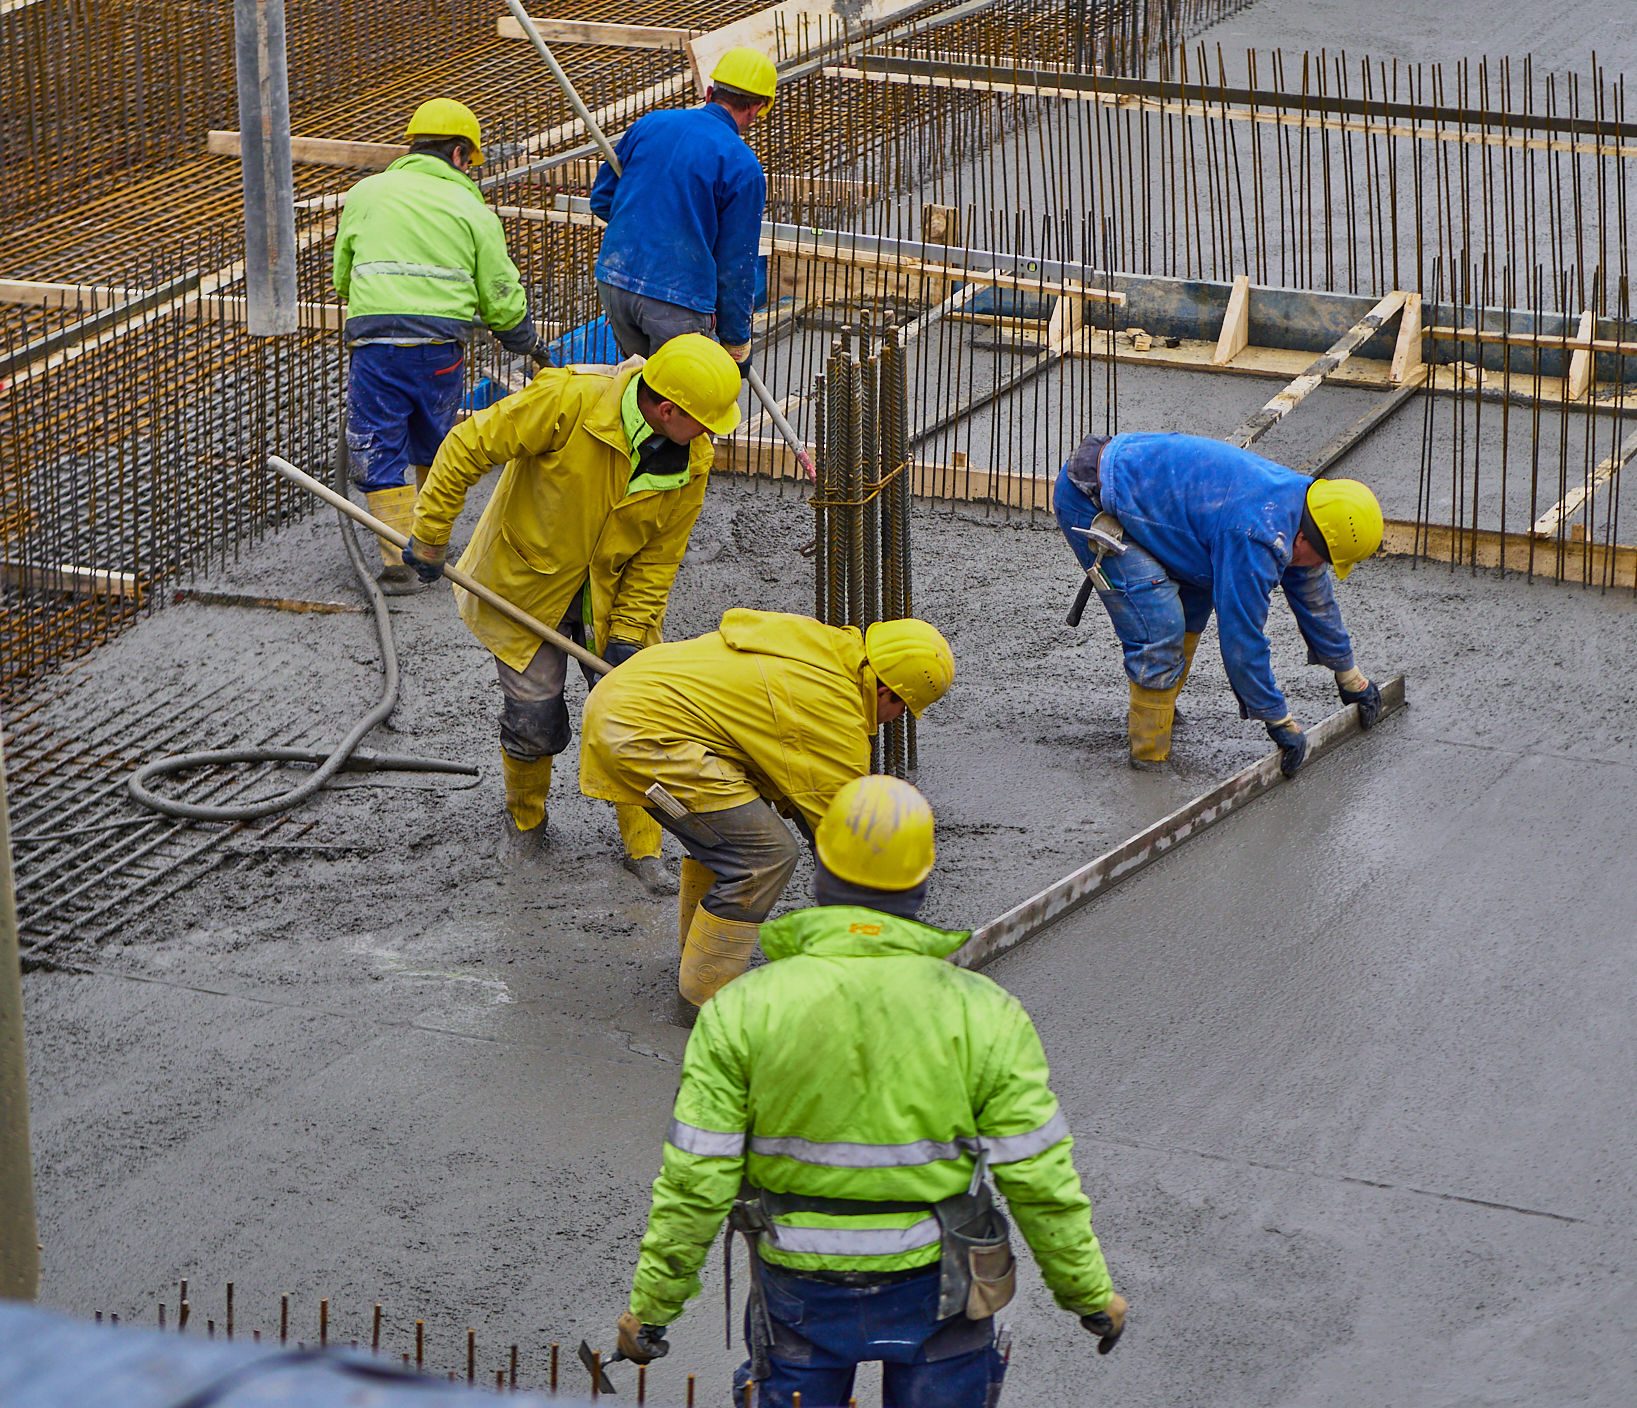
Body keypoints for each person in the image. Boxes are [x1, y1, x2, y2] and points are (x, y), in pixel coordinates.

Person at [611, 774, 1127, 1407]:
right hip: (944, 1290)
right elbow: (1039, 1179)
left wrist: (652, 1309)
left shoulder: (745, 1010)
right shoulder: (983, 1013)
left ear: (822, 871)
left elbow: (696, 1179)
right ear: (920, 882)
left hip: (799, 1292)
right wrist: (1089, 1294)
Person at [399, 334, 742, 888]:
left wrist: (629, 633)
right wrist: (431, 534)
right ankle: (526, 822)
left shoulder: (691, 459)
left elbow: (659, 557)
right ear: (668, 409)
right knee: (534, 719)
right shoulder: (570, 402)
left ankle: (644, 845)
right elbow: (468, 444)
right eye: (704, 420)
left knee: (641, 719)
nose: (710, 435)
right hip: (526, 585)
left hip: (608, 595)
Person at [578, 610, 954, 1006]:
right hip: (642, 735)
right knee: (762, 857)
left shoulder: (824, 646)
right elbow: (845, 834)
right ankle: (702, 1000)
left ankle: (696, 953)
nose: (895, 720)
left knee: (733, 831)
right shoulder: (834, 714)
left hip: (633, 695)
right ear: (885, 693)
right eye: (902, 710)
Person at [1055, 432, 1385, 774]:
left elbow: (1315, 598)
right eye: (1322, 559)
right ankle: (1149, 758)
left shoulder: (1306, 511)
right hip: (1090, 496)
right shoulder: (1256, 535)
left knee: (1194, 603)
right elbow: (1242, 639)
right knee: (1160, 627)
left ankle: (1158, 705)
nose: (1319, 567)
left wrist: (1351, 677)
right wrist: (1278, 719)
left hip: (1149, 493)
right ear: (1304, 538)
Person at [331, 98, 548, 594]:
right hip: (437, 347)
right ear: (457, 154)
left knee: (378, 440)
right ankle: (430, 542)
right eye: (470, 160)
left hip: (375, 340)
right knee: (436, 439)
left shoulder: (366, 193)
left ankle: (397, 560)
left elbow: (343, 276)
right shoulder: (471, 208)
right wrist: (524, 340)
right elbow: (498, 292)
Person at [587, 47, 774, 366]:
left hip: (615, 281)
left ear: (710, 92)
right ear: (756, 109)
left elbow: (603, 199)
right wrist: (736, 340)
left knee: (637, 390)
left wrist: (650, 234)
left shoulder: (651, 124)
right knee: (679, 404)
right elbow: (735, 265)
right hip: (678, 302)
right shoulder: (743, 165)